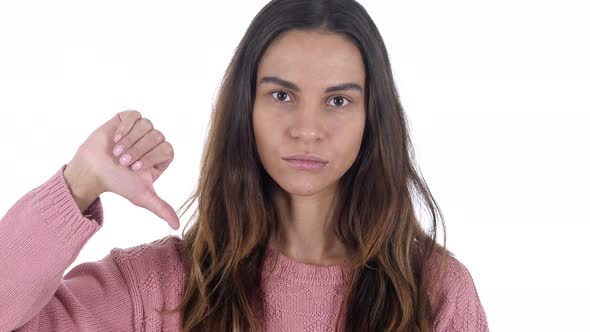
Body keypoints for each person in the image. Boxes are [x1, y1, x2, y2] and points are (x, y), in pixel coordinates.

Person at [0, 0, 489, 331]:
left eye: (338, 101)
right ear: (245, 110)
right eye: (282, 95)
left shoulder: (435, 293)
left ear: (372, 118)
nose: (307, 128)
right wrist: (79, 182)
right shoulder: (159, 287)